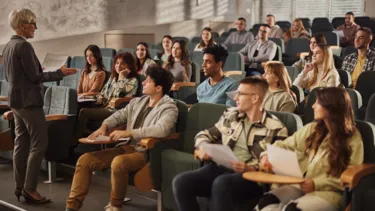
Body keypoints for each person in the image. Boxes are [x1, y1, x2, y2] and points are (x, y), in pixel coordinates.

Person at [66, 66, 178, 211]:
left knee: (119, 162)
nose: (143, 83)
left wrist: (129, 133)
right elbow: (119, 115)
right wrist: (104, 126)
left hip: (145, 153)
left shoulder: (169, 107)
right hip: (126, 147)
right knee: (85, 160)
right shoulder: (139, 102)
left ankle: (115, 206)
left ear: (158, 88)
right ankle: (71, 207)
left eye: (148, 81)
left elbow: (161, 129)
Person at [173, 77, 289, 211]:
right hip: (221, 168)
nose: (235, 98)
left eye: (240, 94)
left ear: (255, 98)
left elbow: (274, 163)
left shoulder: (276, 128)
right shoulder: (231, 115)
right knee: (181, 182)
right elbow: (205, 134)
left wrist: (252, 168)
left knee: (222, 184)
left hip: (250, 176)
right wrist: (203, 146)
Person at [3, 9, 76, 204]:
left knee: (21, 143)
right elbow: (35, 77)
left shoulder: (9, 46)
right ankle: (30, 189)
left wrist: (41, 71)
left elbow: (19, 75)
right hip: (29, 102)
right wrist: (59, 73)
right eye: (33, 23)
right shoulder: (24, 47)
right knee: (40, 143)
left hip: (16, 101)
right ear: (22, 25)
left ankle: (20, 187)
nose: (36, 27)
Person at [255, 87, 364, 211]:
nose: (313, 106)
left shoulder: (352, 138)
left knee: (291, 210)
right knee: (265, 202)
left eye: (317, 102)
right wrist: (266, 155)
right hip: (298, 185)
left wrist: (315, 184)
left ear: (331, 106)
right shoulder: (311, 129)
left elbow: (350, 175)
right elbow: (284, 145)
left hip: (328, 192)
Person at [73, 52, 140, 142]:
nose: (119, 66)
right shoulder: (112, 78)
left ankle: (75, 141)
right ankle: (77, 137)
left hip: (115, 110)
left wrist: (121, 78)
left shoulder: (133, 80)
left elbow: (122, 94)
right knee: (78, 106)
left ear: (129, 66)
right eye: (117, 63)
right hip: (103, 106)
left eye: (122, 63)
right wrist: (96, 98)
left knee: (84, 112)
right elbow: (103, 93)